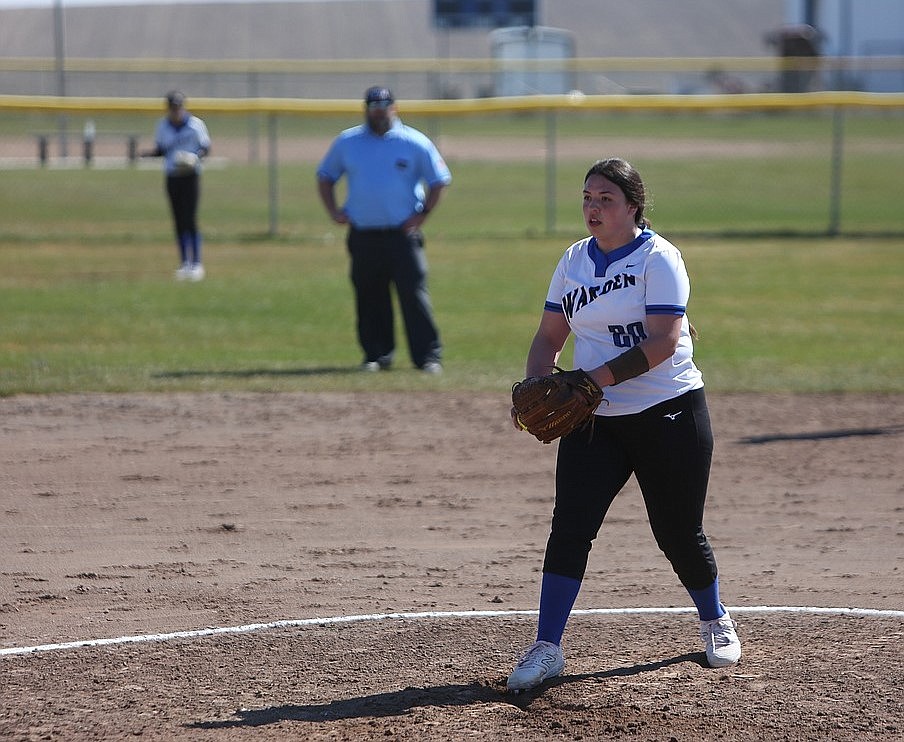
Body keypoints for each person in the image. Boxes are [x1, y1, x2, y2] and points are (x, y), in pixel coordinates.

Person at [506, 158, 741, 693]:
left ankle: (714, 619)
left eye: (605, 198)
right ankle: (547, 646)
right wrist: (537, 384)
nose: (593, 207)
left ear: (633, 206)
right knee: (570, 529)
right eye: (587, 197)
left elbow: (662, 341)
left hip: (669, 413)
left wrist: (592, 379)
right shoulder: (572, 261)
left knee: (678, 531)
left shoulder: (659, 259)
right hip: (598, 422)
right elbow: (548, 337)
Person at [316, 86, 451, 374]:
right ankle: (377, 355)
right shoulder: (348, 142)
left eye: (383, 107)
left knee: (413, 295)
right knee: (369, 296)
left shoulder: (413, 142)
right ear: (366, 109)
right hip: (364, 234)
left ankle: (428, 356)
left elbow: (439, 180)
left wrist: (422, 215)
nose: (378, 113)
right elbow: (325, 176)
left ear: (394, 108)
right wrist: (333, 211)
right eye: (373, 108)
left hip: (402, 235)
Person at [142, 90, 211, 281]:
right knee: (178, 220)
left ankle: (197, 263)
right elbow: (162, 150)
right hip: (173, 176)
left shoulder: (195, 125)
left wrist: (195, 157)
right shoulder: (163, 126)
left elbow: (206, 148)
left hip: (190, 175)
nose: (176, 111)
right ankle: (184, 263)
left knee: (190, 219)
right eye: (172, 108)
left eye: (178, 107)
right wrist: (146, 155)